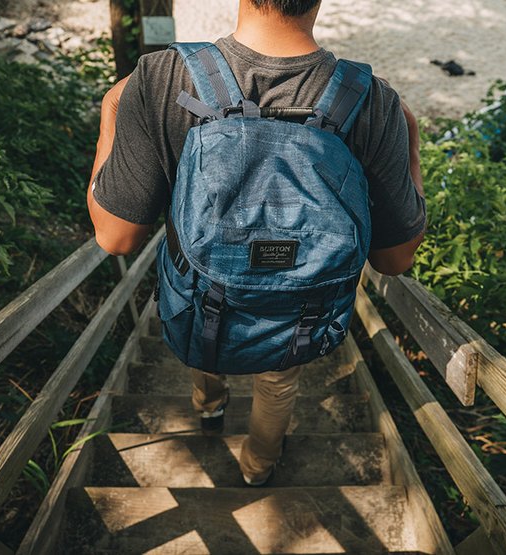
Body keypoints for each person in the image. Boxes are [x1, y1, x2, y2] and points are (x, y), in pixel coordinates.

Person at [87, 0, 426, 486]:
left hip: (199, 303)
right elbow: (394, 260)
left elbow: (115, 237)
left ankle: (209, 407)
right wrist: (408, 139)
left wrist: (109, 114)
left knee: (203, 338)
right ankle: (258, 468)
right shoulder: (372, 99)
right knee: (278, 380)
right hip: (298, 313)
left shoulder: (162, 76)